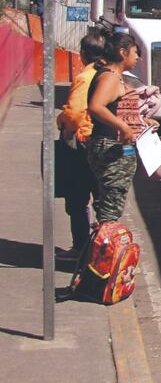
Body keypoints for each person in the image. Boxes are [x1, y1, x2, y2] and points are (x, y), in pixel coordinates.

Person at [54, 29, 106, 258]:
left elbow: (74, 114)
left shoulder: (85, 77)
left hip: (82, 143)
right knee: (102, 201)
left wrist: (62, 120)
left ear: (83, 54)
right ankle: (103, 251)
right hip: (103, 143)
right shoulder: (108, 74)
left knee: (77, 198)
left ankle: (81, 248)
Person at [86, 32, 142, 223]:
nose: (137, 57)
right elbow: (96, 106)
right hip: (109, 147)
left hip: (112, 146)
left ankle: (102, 248)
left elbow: (115, 108)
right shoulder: (109, 77)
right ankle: (104, 250)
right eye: (134, 52)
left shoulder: (115, 76)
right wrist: (123, 128)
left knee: (110, 205)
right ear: (122, 52)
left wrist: (141, 122)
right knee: (110, 210)